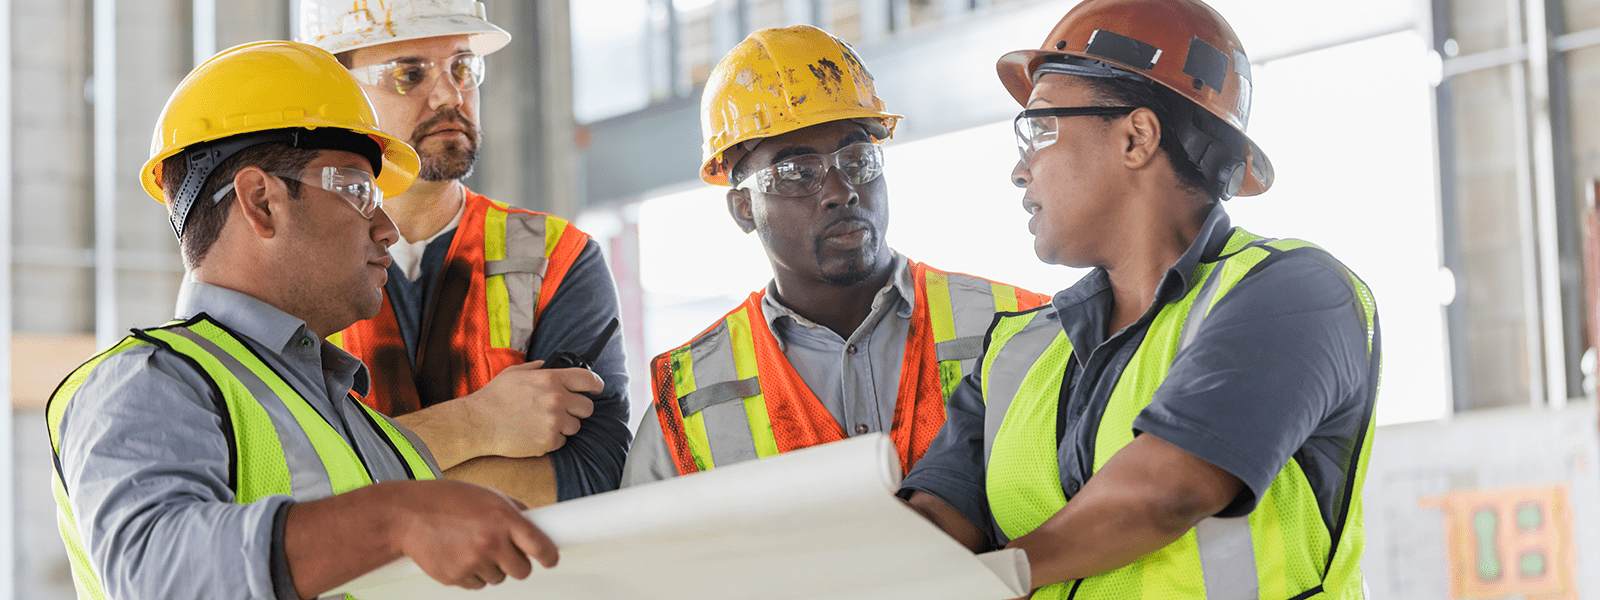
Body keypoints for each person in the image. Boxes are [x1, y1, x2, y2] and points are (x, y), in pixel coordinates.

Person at [899, 1, 1382, 597]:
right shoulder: (1015, 354)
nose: (1020, 172)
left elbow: (1164, 493)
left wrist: (989, 581)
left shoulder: (1296, 296)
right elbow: (936, 523)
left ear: (1136, 137)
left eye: (1040, 129)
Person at [47, 41, 559, 600]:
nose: (387, 228)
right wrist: (395, 518)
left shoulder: (371, 433)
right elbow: (157, 571)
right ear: (261, 202)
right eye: (360, 191)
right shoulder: (146, 383)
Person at [621, 25, 1050, 485]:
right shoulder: (691, 396)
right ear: (743, 209)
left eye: (857, 160)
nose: (840, 192)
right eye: (798, 172)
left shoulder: (1020, 326)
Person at [296, 0, 631, 506]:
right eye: (409, 74)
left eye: (462, 67)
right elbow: (281, 480)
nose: (450, 94)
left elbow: (592, 476)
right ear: (337, 96)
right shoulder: (288, 276)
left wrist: (361, 472)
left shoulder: (558, 258)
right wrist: (483, 423)